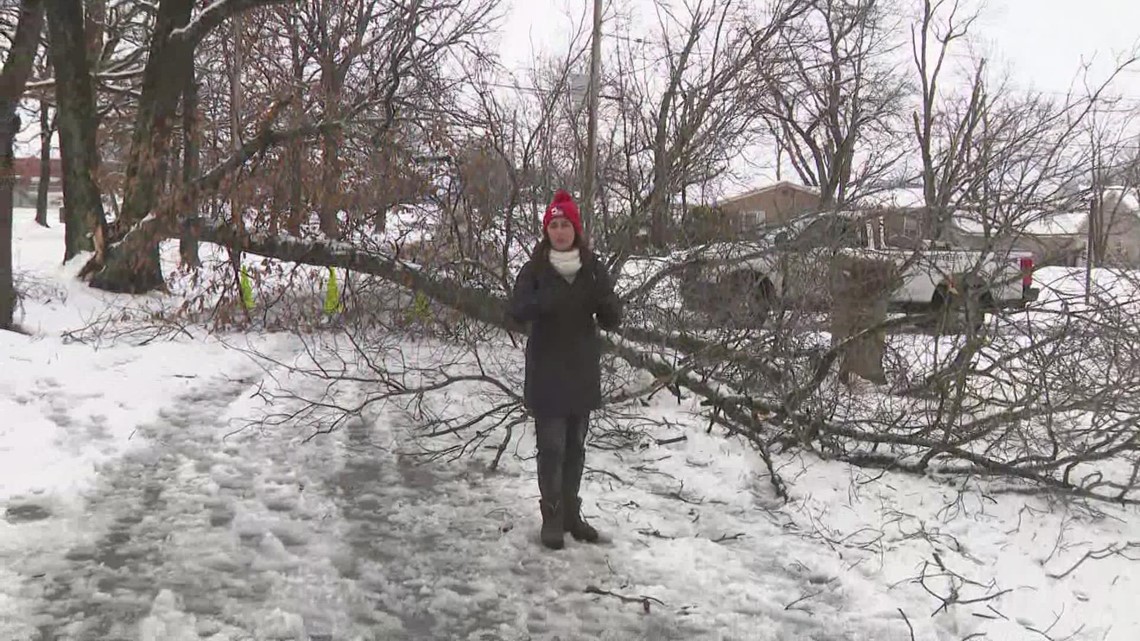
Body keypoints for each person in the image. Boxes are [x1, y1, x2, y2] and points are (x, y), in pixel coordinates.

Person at [508, 189, 623, 550]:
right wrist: (545, 300)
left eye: (565, 225)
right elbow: (515, 311)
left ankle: (573, 516)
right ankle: (552, 518)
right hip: (547, 371)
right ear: (546, 231)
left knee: (576, 446)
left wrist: (607, 305)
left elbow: (612, 318)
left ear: (576, 229)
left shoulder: (592, 268)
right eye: (553, 225)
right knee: (552, 448)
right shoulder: (535, 269)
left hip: (581, 371)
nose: (559, 231)